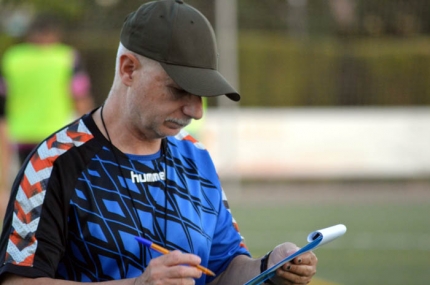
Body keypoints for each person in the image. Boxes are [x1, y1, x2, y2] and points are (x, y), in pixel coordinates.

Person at [0, 1, 318, 284]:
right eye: (179, 90)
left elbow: (224, 267)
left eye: (202, 95)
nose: (195, 110)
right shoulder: (54, 164)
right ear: (128, 69)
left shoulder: (195, 155)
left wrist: (268, 267)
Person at [0, 13, 94, 166]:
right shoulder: (66, 57)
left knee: (28, 183)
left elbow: (3, 99)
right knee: (57, 183)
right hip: (56, 135)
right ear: (55, 34)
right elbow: (80, 96)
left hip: (22, 134)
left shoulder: (12, 58)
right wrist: (90, 132)